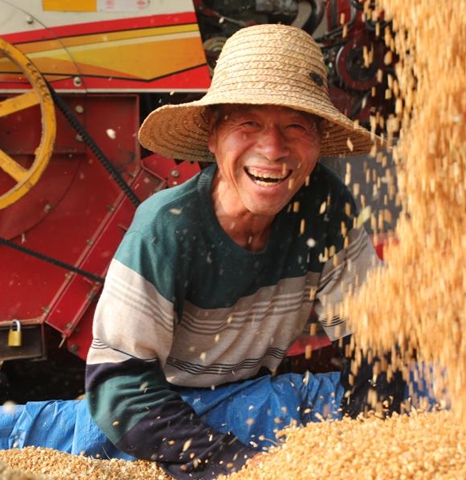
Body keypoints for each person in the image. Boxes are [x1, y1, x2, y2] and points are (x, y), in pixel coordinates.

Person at [85, 24, 406, 479]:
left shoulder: (325, 206)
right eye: (248, 124)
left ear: (317, 144)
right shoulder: (167, 229)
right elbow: (120, 387)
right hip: (168, 412)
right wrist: (239, 466)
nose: (273, 149)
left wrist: (369, 443)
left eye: (296, 126)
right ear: (213, 137)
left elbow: (376, 340)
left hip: (255, 399)